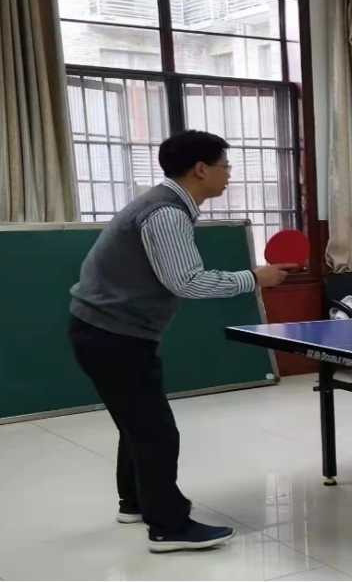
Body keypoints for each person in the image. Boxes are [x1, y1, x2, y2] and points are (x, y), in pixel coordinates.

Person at [67, 130, 296, 552]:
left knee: (138, 425)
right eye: (225, 166)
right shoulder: (166, 213)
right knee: (156, 432)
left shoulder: (161, 204)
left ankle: (135, 502)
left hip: (103, 331)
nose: (229, 174)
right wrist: (254, 278)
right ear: (201, 169)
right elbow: (187, 282)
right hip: (113, 335)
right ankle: (168, 527)